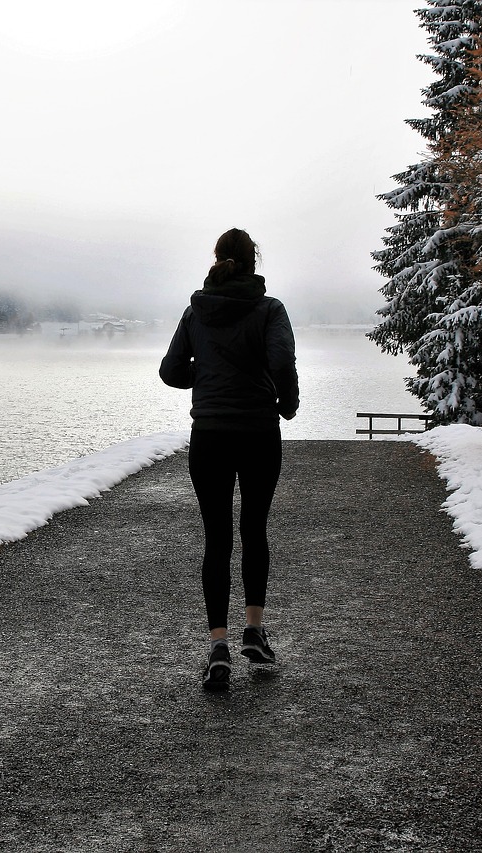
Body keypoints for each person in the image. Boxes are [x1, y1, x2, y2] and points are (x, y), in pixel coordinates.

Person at [159, 228, 298, 691]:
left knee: (216, 537)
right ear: (253, 261)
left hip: (210, 436)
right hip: (259, 432)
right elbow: (281, 362)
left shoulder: (196, 310)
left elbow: (171, 371)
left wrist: (209, 375)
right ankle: (254, 633)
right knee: (254, 528)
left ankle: (218, 646)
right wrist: (287, 402)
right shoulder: (269, 309)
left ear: (217, 259)